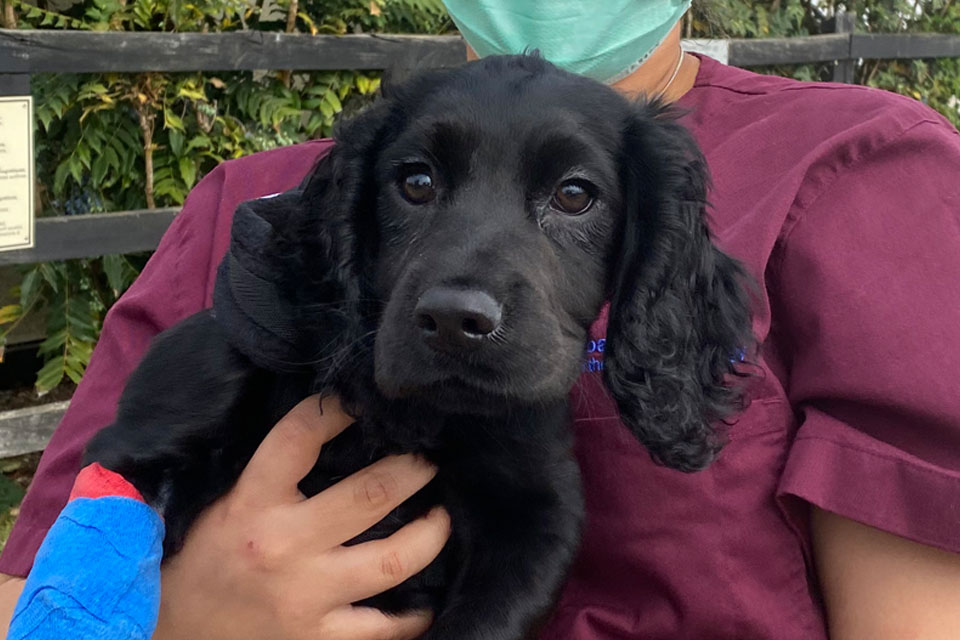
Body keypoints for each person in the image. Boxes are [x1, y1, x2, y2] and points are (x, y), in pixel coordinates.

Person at [3, 0, 960, 637]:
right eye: (417, 185)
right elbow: (46, 573)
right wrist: (180, 622)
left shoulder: (858, 165)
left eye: (577, 199)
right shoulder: (257, 210)